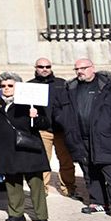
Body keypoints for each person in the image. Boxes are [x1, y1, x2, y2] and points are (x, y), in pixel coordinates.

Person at [54, 59, 111, 221]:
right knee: (90, 173)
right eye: (77, 69)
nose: (80, 72)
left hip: (107, 139)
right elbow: (58, 109)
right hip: (81, 139)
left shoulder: (110, 87)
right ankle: (98, 202)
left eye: (84, 68)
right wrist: (65, 121)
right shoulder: (70, 89)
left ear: (92, 68)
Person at [0, 72, 50, 221]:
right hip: (6, 150)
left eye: (10, 86)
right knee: (12, 183)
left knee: (35, 184)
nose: (6, 89)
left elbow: (45, 124)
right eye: (3, 86)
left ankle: (42, 217)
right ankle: (16, 213)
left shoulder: (30, 103)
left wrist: (36, 116)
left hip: (28, 149)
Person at [29, 58, 74, 198]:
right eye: (41, 66)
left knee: (66, 161)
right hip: (42, 129)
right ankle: (42, 190)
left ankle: (69, 189)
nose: (45, 69)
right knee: (43, 162)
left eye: (47, 66)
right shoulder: (30, 85)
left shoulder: (62, 83)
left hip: (61, 129)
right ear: (35, 67)